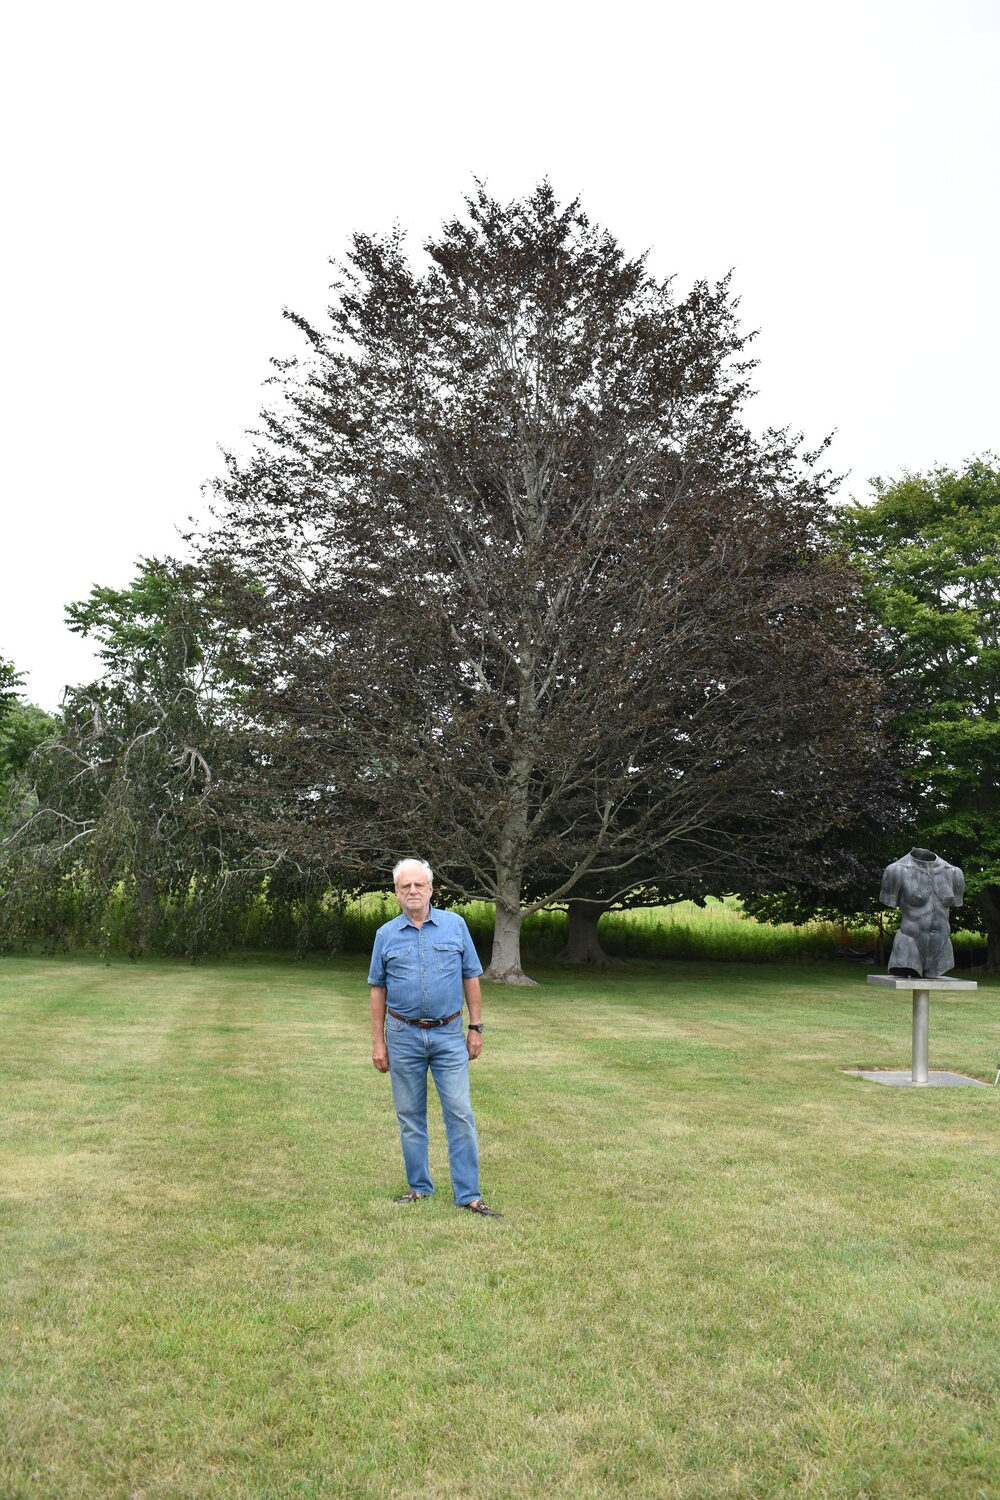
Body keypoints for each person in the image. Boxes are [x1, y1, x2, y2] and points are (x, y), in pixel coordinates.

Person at [369, 857, 501, 1217]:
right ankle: (419, 1187)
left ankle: (469, 1194)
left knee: (459, 1112)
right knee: (410, 1115)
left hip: (448, 1035)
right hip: (402, 1036)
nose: (413, 891)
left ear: (431, 888)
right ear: (395, 892)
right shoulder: (385, 935)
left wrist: (475, 1028)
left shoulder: (455, 926)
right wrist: (378, 1042)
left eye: (419, 885)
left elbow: (471, 976)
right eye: (405, 886)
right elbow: (377, 989)